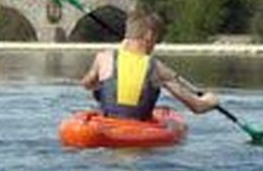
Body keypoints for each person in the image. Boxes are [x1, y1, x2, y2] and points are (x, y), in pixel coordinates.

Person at [79, 10, 219, 121]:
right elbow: (197, 107)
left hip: (107, 128)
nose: (155, 45)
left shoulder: (103, 58)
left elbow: (86, 84)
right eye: (156, 39)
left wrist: (102, 85)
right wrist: (210, 101)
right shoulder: (158, 68)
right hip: (139, 135)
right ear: (149, 36)